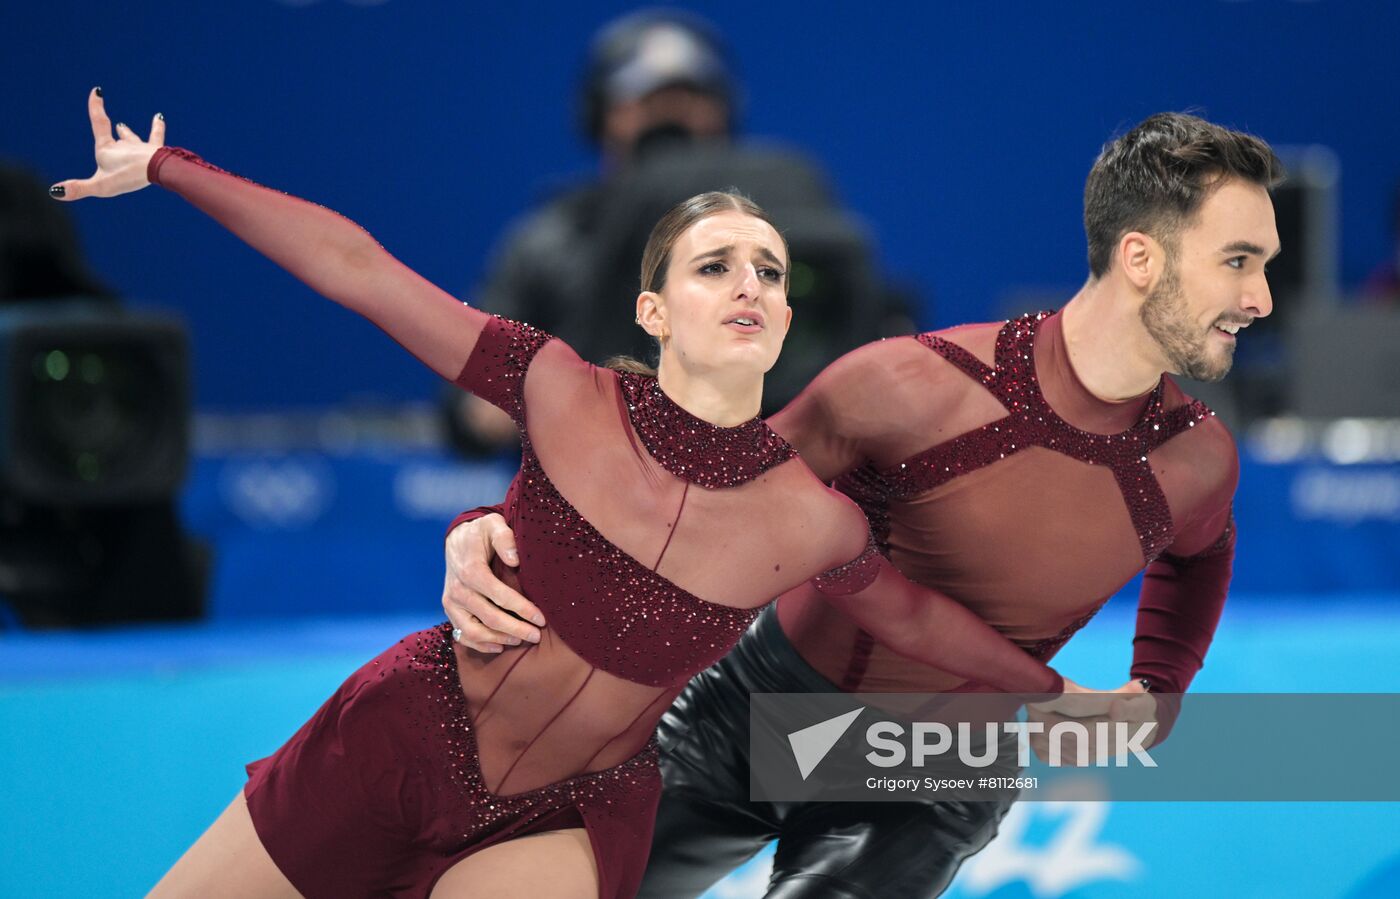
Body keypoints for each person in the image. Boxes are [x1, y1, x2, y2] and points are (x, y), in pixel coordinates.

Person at [52, 89, 1088, 899]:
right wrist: (164, 168)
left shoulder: (812, 517)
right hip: (399, 740)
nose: (749, 286)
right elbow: (357, 269)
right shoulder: (557, 389)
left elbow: (910, 616)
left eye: (769, 273)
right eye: (714, 265)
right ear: (651, 308)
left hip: (561, 817)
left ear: (784, 318)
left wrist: (1053, 696)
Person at [443, 111, 1283, 897]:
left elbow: (1200, 551)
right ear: (1140, 258)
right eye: (1239, 261)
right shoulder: (907, 388)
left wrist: (1161, 685)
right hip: (751, 710)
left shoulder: (1197, 458)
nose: (1261, 299)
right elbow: (687, 489)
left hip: (938, 764)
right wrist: (485, 529)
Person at [448, 8, 910, 455]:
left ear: (725, 116)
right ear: (599, 115)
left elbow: (853, 349)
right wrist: (556, 384)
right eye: (645, 103)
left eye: (692, 102)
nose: (670, 120)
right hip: (602, 490)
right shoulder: (550, 241)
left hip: (779, 472)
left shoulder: (787, 218)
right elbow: (474, 415)